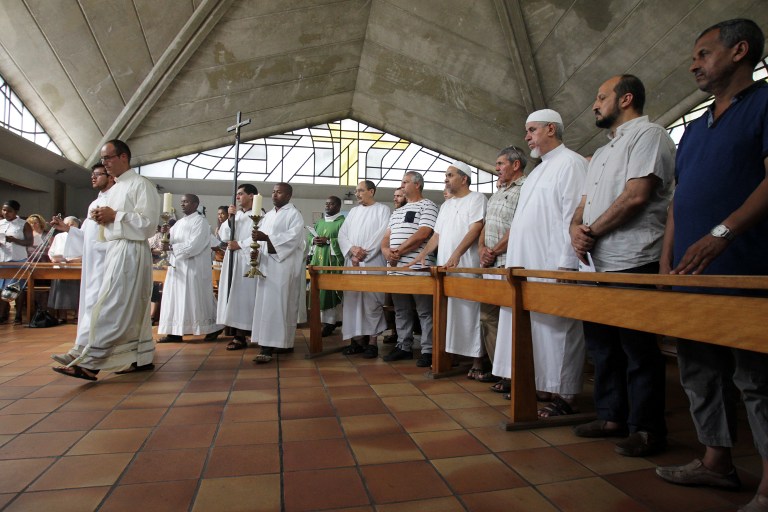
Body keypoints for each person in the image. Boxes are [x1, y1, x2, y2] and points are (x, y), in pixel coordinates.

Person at [654, 19, 768, 512]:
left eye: (703, 53)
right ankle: (716, 461)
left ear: (740, 51)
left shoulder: (765, 104)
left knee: (757, 378)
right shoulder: (696, 127)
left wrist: (724, 233)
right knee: (698, 369)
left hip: (747, 264)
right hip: (689, 270)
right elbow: (680, 201)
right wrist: (666, 260)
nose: (693, 64)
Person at [569, 75, 675, 456]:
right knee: (602, 348)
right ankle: (612, 415)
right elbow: (583, 204)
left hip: (634, 261)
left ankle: (647, 429)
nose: (595, 105)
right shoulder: (601, 153)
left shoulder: (650, 136)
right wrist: (575, 230)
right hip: (597, 265)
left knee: (639, 350)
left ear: (626, 98)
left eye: (601, 97)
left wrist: (590, 232)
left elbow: (636, 196)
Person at [493, 109, 587, 416]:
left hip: (552, 264)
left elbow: (572, 216)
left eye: (532, 129)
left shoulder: (570, 163)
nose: (527, 135)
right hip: (526, 263)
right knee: (534, 330)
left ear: (551, 129)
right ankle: (542, 384)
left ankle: (566, 395)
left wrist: (567, 263)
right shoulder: (538, 171)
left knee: (558, 329)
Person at [52, 139, 160, 380]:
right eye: (102, 159)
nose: (104, 163)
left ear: (124, 157)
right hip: (113, 249)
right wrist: (104, 219)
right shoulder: (117, 188)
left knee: (111, 307)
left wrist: (115, 216)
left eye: (108, 158)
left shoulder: (141, 185)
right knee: (127, 309)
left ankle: (90, 362)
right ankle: (139, 357)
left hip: (131, 250)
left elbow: (149, 225)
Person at [411, 161, 487, 366]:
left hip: (466, 265)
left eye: (450, 175)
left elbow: (475, 228)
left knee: (470, 311)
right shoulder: (445, 205)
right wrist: (422, 255)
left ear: (464, 179)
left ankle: (477, 360)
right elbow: (437, 235)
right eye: (446, 175)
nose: (446, 179)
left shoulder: (477, 198)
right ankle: (452, 354)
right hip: (445, 267)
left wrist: (457, 254)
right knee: (449, 313)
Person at [50, 164, 115, 366]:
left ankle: (90, 351)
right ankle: (81, 348)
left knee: (99, 306)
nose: (93, 178)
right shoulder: (94, 203)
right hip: (92, 263)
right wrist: (67, 230)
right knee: (89, 304)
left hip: (107, 262)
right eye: (92, 175)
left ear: (110, 176)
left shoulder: (117, 198)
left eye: (98, 174)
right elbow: (87, 236)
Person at [475, 146, 527, 384]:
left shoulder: (525, 189)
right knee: (487, 317)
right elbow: (485, 226)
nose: (496, 169)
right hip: (490, 265)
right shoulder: (497, 192)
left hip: (509, 264)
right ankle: (501, 370)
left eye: (500, 164)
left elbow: (517, 226)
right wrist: (482, 251)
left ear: (515, 165)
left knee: (511, 322)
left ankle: (515, 374)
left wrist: (494, 251)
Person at [381, 171, 438, 367]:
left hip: (417, 267)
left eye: (405, 182)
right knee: (401, 309)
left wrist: (398, 251)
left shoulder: (428, 205)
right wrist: (387, 251)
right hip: (395, 268)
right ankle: (403, 346)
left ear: (417, 185)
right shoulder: (397, 212)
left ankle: (428, 350)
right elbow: (386, 237)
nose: (402, 185)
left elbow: (424, 233)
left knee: (424, 311)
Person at [156, 194, 223, 343]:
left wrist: (172, 247)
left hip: (194, 267)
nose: (182, 204)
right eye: (181, 202)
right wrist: (165, 235)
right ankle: (174, 332)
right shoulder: (178, 223)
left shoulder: (201, 222)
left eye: (186, 202)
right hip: (177, 267)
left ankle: (215, 326)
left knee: (197, 297)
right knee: (175, 298)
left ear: (195, 204)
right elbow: (168, 242)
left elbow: (195, 245)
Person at [250, 183, 306, 363]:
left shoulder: (294, 215)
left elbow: (293, 239)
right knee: (267, 306)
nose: (274, 195)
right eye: (273, 192)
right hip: (267, 265)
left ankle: (274, 345)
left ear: (288, 195)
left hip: (283, 267)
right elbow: (260, 239)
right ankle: (273, 342)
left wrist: (267, 239)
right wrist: (256, 250)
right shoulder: (267, 216)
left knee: (280, 305)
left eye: (279, 192)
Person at [338, 180, 390, 358]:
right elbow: (342, 234)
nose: (357, 194)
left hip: (372, 262)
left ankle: (373, 342)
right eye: (356, 191)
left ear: (371, 191)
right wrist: (352, 250)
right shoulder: (353, 211)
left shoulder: (383, 210)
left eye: (360, 191)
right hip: (352, 263)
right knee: (352, 300)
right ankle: (357, 340)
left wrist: (361, 253)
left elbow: (382, 234)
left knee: (372, 302)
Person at [216, 184, 259, 350]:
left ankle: (244, 334)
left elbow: (259, 237)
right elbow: (224, 235)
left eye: (241, 194)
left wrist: (239, 244)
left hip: (247, 260)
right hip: (232, 259)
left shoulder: (259, 215)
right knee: (231, 296)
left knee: (244, 298)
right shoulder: (237, 215)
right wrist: (230, 219)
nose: (238, 197)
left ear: (252, 196)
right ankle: (236, 334)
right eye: (237, 194)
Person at [306, 196, 345, 337]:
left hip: (332, 262)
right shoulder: (320, 222)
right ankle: (321, 321)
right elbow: (310, 237)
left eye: (331, 204)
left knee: (330, 291)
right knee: (319, 291)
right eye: (326, 203)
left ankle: (331, 322)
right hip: (318, 261)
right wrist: (314, 240)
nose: (328, 206)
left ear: (338, 206)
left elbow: (345, 241)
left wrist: (329, 241)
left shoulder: (342, 222)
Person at [0, 200, 33, 324]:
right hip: (1, 260)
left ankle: (18, 315)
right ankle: (2, 314)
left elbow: (29, 242)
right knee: (1, 288)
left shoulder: (23, 224)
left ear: (16, 211)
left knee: (15, 289)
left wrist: (13, 240)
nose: (6, 213)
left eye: (9, 211)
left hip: (17, 259)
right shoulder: (0, 223)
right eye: (4, 210)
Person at [47, 216, 83, 318]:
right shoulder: (59, 236)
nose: (68, 226)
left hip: (76, 268)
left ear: (77, 225)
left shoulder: (81, 235)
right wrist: (55, 258)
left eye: (71, 224)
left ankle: (77, 315)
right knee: (61, 293)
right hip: (61, 267)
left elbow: (86, 252)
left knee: (77, 292)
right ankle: (62, 316)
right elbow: (52, 252)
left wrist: (75, 259)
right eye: (66, 224)